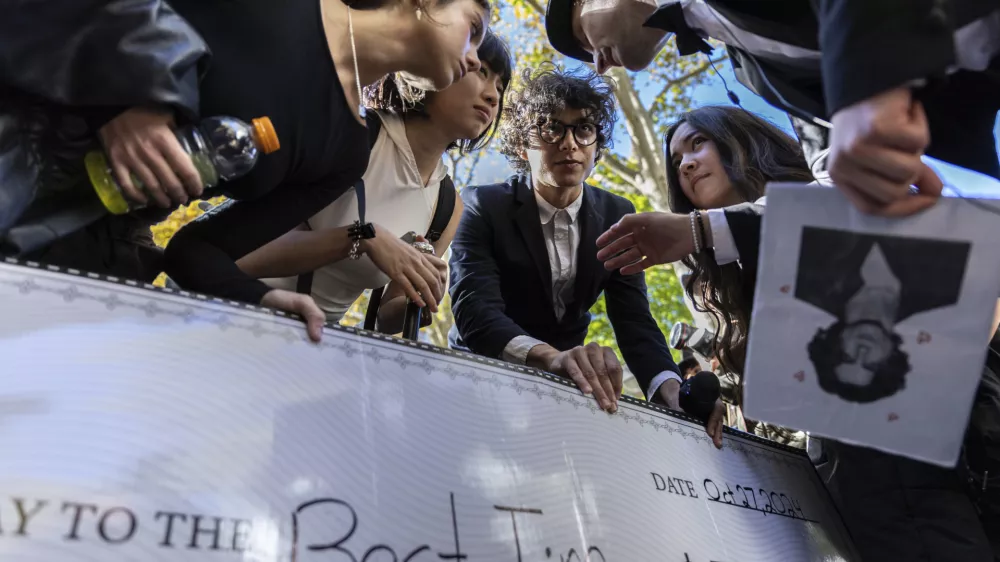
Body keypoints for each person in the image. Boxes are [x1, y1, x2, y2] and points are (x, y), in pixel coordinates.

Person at [597, 105, 999, 561]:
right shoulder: (719, 278)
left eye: (697, 144)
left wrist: (702, 229)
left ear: (743, 141)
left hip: (964, 451)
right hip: (867, 497)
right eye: (676, 161)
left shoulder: (829, 182)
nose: (685, 163)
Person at [2, 0, 492, 342]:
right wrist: (131, 96)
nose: (474, 60)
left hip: (80, 264)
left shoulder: (343, 151)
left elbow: (198, 251)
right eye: (474, 29)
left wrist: (260, 301)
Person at [448, 66, 723, 445]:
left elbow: (634, 322)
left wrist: (672, 391)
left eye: (583, 129)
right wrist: (552, 358)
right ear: (520, 143)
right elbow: (474, 312)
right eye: (550, 128)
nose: (569, 143)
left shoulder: (617, 215)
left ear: (596, 143)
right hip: (481, 372)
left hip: (566, 382)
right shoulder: (479, 204)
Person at [543, 0, 1000, 217]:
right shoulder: (750, 74)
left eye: (585, 40)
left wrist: (864, 88)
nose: (600, 65)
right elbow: (828, 165)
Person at [236, 31, 512, 331]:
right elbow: (239, 255)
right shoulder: (352, 135)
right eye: (481, 72)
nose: (493, 95)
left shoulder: (446, 208)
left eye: (500, 86)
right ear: (434, 67)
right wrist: (361, 239)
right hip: (231, 314)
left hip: (309, 347)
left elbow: (386, 317)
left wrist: (421, 297)